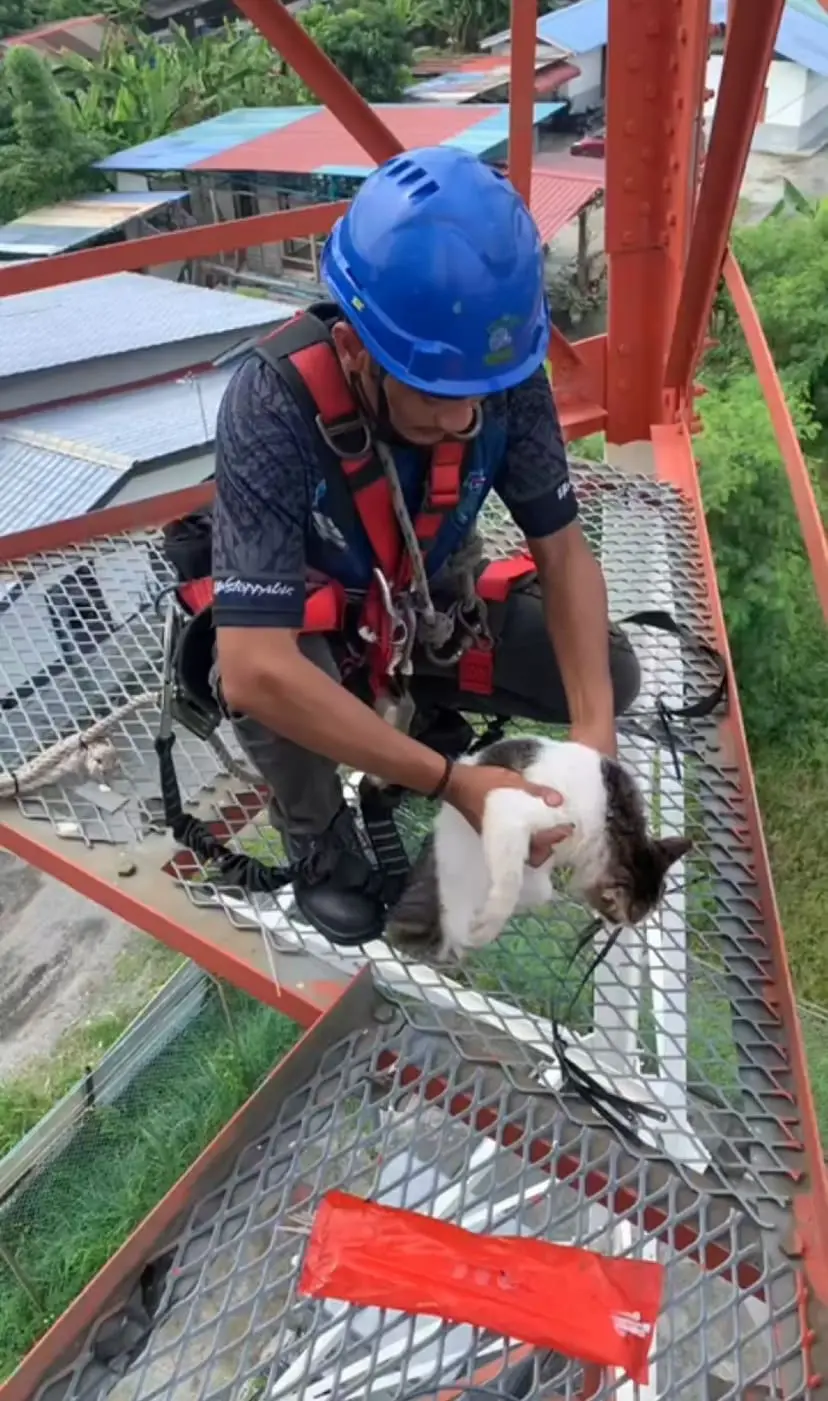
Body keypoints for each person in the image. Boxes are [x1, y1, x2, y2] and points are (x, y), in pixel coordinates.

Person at [209, 146, 640, 946]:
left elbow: (565, 553)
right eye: (438, 398)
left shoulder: (500, 374)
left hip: (425, 612)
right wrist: (455, 784)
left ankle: (426, 716)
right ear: (358, 350)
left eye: (482, 396)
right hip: (319, 644)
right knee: (268, 679)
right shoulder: (270, 405)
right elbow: (252, 663)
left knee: (610, 673)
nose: (464, 421)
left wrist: (594, 749)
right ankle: (318, 835)